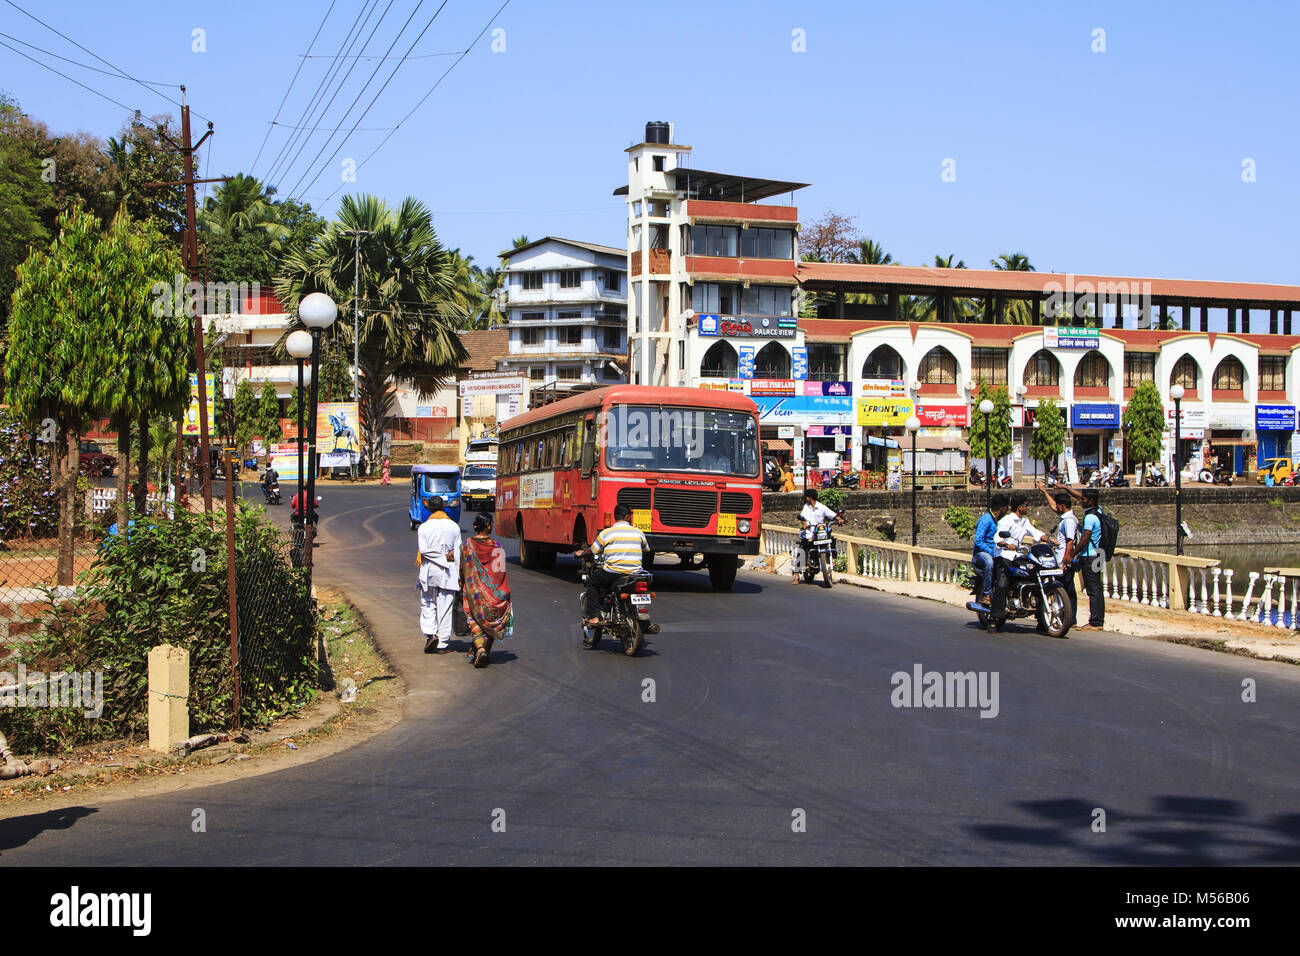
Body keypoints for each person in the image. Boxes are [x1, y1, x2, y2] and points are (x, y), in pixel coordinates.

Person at [578, 503, 650, 626]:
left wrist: (582, 553)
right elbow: (646, 549)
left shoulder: (607, 533)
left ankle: (594, 617)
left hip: (613, 573)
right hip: (635, 574)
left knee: (593, 582)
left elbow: (593, 551)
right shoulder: (638, 532)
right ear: (627, 517)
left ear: (615, 517)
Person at [988, 492, 1052, 628]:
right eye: (1025, 506)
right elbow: (997, 538)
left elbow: (1034, 532)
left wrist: (1047, 539)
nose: (1027, 508)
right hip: (1004, 555)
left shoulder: (1024, 521)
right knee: (1002, 583)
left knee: (1034, 575)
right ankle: (995, 617)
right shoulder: (1006, 520)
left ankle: (1041, 619)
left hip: (1018, 555)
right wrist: (1006, 544)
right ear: (1019, 507)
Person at [461, 513, 511, 668]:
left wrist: (462, 583)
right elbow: (500, 572)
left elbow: (462, 569)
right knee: (492, 622)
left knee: (473, 619)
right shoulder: (497, 547)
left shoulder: (467, 544)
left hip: (473, 592)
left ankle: (480, 648)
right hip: (494, 594)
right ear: (489, 525)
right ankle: (485, 650)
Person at [416, 495, 462, 653]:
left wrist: (439, 557)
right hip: (448, 570)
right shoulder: (454, 527)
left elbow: (423, 551)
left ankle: (430, 635)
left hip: (429, 569)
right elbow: (458, 553)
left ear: (429, 508)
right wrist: (446, 558)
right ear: (443, 507)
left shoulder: (424, 527)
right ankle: (442, 643)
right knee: (446, 605)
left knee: (427, 602)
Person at [1040, 483, 1079, 628]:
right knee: (1068, 590)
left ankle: (1065, 619)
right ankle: (1069, 619)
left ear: (1062, 505)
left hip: (1065, 559)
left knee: (1063, 590)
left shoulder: (1068, 521)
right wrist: (1044, 492)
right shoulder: (1068, 517)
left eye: (1058, 505)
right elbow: (1053, 507)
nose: (1056, 508)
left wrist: (1064, 561)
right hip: (1065, 558)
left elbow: (1070, 542)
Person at [792, 488, 845, 585]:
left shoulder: (822, 507)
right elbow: (802, 517)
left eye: (806, 497)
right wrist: (804, 523)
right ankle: (796, 575)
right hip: (809, 532)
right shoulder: (806, 507)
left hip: (820, 532)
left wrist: (839, 519)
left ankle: (831, 559)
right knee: (802, 549)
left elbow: (832, 515)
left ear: (810, 498)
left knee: (831, 540)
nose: (806, 499)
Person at [1075, 488, 1106, 631]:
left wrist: (1074, 553)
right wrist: (1065, 488)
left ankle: (1094, 622)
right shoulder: (1099, 511)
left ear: (1090, 501)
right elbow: (1080, 495)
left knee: (1092, 590)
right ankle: (1099, 619)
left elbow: (1085, 537)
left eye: (1083, 499)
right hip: (1100, 553)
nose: (1081, 501)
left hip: (1090, 556)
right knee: (1098, 589)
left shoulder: (1089, 518)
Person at [971, 493, 1010, 606]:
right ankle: (986, 594)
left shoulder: (1000, 521)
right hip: (981, 554)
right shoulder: (986, 519)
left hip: (995, 550)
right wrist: (991, 552)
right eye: (1006, 508)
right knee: (989, 562)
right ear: (1002, 508)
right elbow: (978, 541)